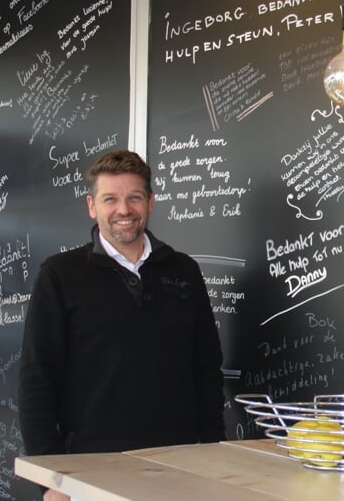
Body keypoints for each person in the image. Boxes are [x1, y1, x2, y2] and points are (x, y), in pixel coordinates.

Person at [18, 150, 225, 501]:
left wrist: (214, 454)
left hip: (180, 468)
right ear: (91, 206)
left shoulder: (183, 270)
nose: (124, 210)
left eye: (134, 197)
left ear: (150, 202)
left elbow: (206, 369)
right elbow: (37, 380)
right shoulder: (60, 275)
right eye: (110, 199)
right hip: (92, 471)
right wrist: (51, 480)